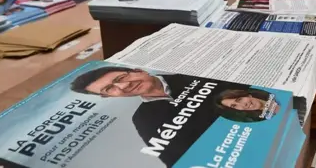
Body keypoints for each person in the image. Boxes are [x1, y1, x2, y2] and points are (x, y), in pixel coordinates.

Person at [71, 65, 250, 166]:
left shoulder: (192, 71)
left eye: (120, 79)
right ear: (107, 96)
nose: (123, 87)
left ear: (139, 70)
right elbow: (177, 160)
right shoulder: (142, 119)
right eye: (110, 89)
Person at [215, 88, 280, 122]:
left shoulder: (276, 93)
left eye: (239, 99)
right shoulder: (261, 121)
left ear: (248, 95)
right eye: (234, 106)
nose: (243, 105)